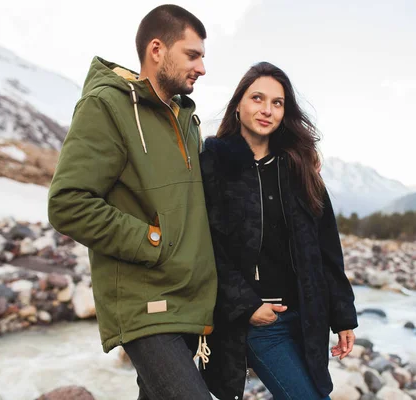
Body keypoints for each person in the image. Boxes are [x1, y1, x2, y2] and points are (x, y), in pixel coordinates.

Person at [48, 5, 216, 399]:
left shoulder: (187, 120)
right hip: (146, 304)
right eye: (193, 55)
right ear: (157, 49)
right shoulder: (107, 107)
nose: (202, 68)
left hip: (189, 303)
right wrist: (152, 241)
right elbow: (68, 202)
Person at [200, 62, 358, 400]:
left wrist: (343, 315)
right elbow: (206, 246)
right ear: (238, 104)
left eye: (277, 102)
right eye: (257, 98)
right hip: (260, 322)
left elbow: (327, 248)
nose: (267, 110)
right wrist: (246, 306)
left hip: (306, 318)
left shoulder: (299, 167)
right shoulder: (213, 164)